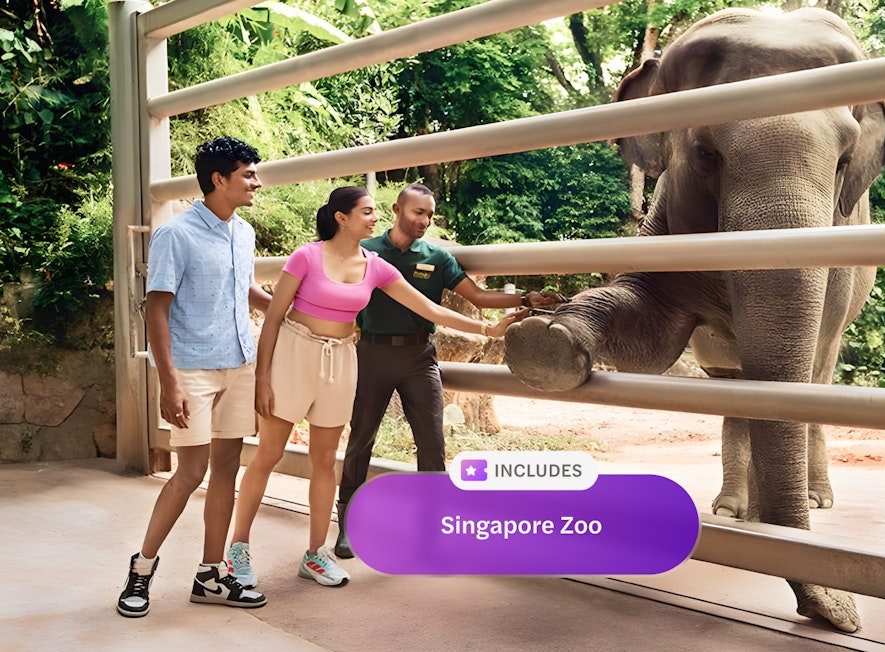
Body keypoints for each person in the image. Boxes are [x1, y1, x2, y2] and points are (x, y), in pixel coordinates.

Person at [226, 186, 526, 588]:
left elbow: (431, 309)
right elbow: (275, 317)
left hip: (343, 359)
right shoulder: (306, 256)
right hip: (296, 355)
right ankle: (238, 551)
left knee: (325, 460)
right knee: (269, 454)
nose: (373, 218)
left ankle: (316, 554)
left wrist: (489, 327)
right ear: (342, 217)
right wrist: (262, 378)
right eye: (366, 212)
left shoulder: (377, 266)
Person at [333, 183, 561, 559]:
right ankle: (347, 527)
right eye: (417, 212)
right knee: (361, 441)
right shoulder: (367, 251)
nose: (424, 221)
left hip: (419, 357)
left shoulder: (437, 258)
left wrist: (525, 299)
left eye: (429, 215)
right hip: (371, 353)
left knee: (432, 443)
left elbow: (479, 297)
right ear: (397, 209)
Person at [117, 137, 271, 618]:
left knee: (227, 469)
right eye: (247, 174)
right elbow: (156, 309)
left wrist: (296, 311)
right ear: (219, 179)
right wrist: (169, 382)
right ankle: (140, 571)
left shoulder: (242, 232)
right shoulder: (175, 235)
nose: (256, 182)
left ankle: (210, 575)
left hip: (239, 364)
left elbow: (245, 289)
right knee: (189, 472)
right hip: (192, 370)